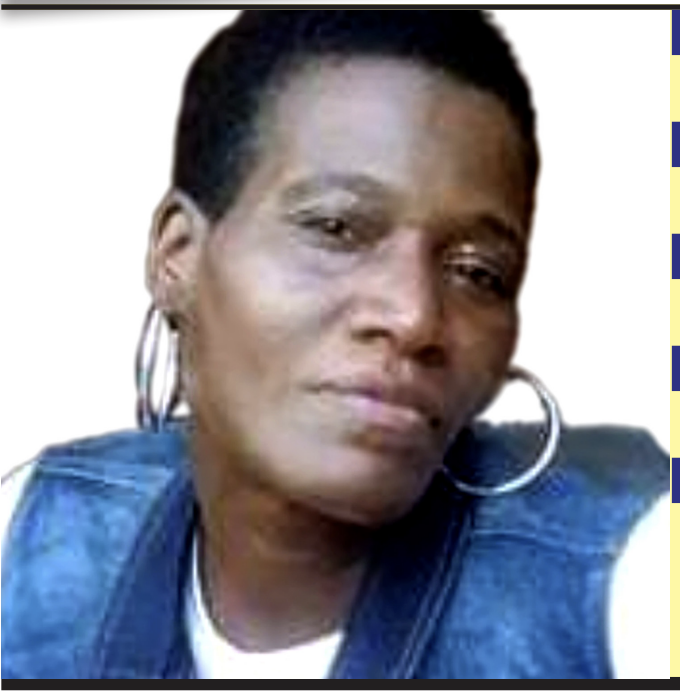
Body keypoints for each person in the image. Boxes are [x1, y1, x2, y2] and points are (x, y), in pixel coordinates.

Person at [1, 10, 669, 680]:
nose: (414, 316)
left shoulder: (633, 590)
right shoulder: (33, 537)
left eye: (477, 272)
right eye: (335, 228)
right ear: (177, 254)